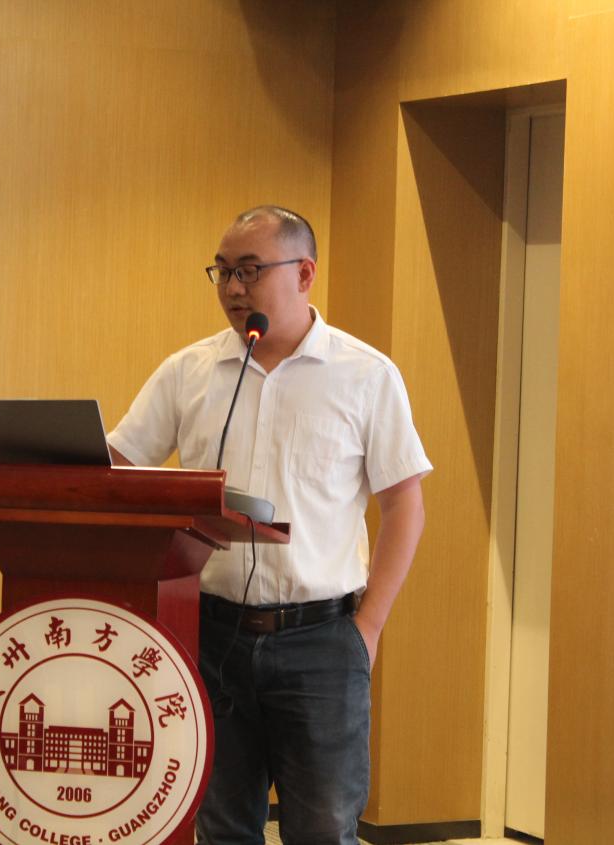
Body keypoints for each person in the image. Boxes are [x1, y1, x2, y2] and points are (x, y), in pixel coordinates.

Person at [106, 206, 430, 845]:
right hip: (211, 635)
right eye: (222, 271)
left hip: (321, 640)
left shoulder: (365, 375)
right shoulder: (191, 371)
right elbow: (119, 465)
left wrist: (368, 628)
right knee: (221, 826)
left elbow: (404, 506)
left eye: (250, 271)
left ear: (304, 273)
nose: (233, 288)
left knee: (322, 829)